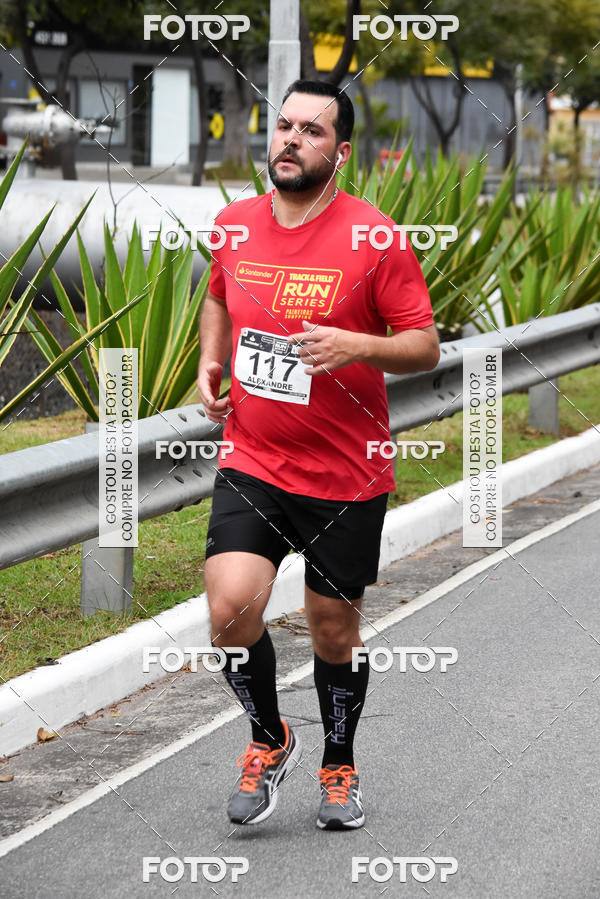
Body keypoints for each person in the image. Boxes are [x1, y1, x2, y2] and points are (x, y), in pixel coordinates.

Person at [197, 79, 439, 831]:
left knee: (333, 628)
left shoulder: (375, 236)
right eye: (284, 126)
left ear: (339, 149)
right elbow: (218, 294)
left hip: (346, 471)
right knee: (229, 607)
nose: (292, 140)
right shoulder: (234, 225)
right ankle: (270, 738)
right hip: (254, 458)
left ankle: (339, 761)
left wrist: (356, 344)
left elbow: (425, 345)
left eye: (312, 130)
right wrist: (210, 362)